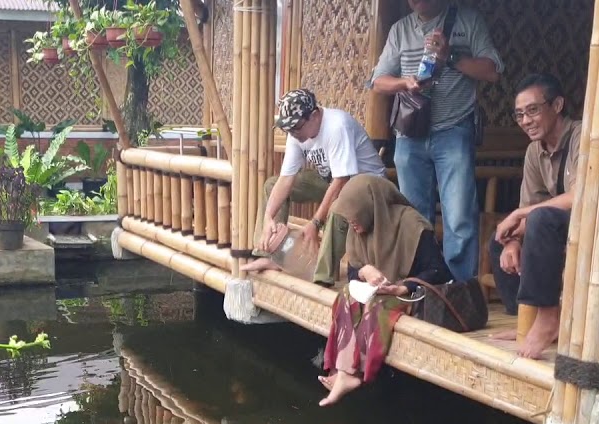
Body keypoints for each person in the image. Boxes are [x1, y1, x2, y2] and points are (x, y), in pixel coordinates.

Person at [369, 0, 503, 283]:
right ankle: (422, 283)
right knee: (414, 216)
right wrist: (405, 82)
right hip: (409, 135)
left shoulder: (467, 20)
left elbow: (492, 70)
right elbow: (378, 81)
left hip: (454, 130)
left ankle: (457, 289)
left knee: (459, 217)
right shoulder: (400, 29)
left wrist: (450, 57)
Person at [319, 175, 453, 406]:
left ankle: (355, 374)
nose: (351, 221)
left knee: (377, 307)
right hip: (378, 290)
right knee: (345, 297)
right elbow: (353, 273)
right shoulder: (359, 228)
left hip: (408, 292)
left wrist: (402, 286)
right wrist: (365, 271)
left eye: (354, 213)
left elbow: (438, 271)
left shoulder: (411, 224)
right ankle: (343, 371)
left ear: (370, 206)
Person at [244, 88, 387, 286]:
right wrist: (269, 217)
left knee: (339, 207)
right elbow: (286, 179)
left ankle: (322, 276)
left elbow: (342, 181)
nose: (293, 134)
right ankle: (268, 254)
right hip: (333, 181)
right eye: (288, 129)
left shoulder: (337, 126)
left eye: (296, 128)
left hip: (368, 188)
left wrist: (315, 223)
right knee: (271, 184)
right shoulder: (296, 134)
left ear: (314, 115)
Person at [488, 73, 581, 359]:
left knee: (541, 219)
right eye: (519, 115)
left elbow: (585, 195)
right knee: (499, 238)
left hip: (592, 224)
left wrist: (520, 213)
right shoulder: (534, 151)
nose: (526, 120)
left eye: (533, 110)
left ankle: (548, 317)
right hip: (556, 226)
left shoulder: (583, 136)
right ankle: (524, 320)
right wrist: (513, 242)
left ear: (557, 105)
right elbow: (532, 203)